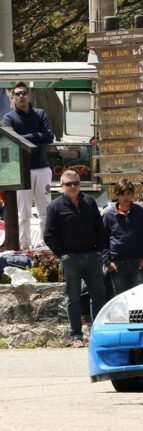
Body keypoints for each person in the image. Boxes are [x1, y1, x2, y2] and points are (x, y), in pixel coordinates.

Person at [43, 170, 107, 347]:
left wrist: (99, 251)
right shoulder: (55, 206)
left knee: (99, 296)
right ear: (61, 186)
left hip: (92, 257)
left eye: (76, 183)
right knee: (73, 298)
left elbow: (100, 228)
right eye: (68, 184)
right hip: (71, 259)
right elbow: (48, 235)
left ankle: (98, 333)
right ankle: (76, 336)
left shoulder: (89, 202)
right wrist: (63, 254)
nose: (73, 187)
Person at [2, 82, 54, 249]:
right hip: (20, 171)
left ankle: (45, 244)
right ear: (12, 98)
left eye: (24, 93)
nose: (21, 96)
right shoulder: (9, 118)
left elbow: (49, 137)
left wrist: (23, 137)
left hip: (42, 168)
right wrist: (36, 135)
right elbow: (11, 140)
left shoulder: (40, 114)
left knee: (45, 210)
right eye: (17, 94)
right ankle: (24, 244)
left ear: (30, 95)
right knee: (23, 213)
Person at [102, 179, 143, 295]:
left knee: (140, 298)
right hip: (117, 265)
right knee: (121, 300)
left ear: (132, 194)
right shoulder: (108, 215)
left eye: (129, 194)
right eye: (122, 194)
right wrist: (107, 262)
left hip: (139, 264)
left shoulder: (142, 212)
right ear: (117, 194)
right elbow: (102, 240)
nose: (126, 198)